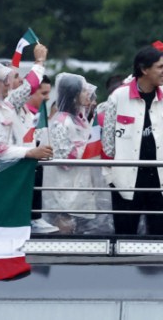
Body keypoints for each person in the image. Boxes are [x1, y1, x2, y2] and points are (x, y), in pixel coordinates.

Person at [100, 47, 163, 235]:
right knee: (125, 237)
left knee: (161, 239)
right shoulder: (118, 97)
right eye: (160, 66)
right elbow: (107, 142)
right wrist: (111, 178)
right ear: (144, 69)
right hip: (127, 179)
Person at [43, 73, 104, 234]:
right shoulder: (62, 121)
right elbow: (62, 157)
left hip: (79, 186)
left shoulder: (79, 119)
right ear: (74, 95)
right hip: (65, 188)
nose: (88, 94)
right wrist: (84, 147)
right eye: (84, 91)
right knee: (65, 229)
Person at [18, 75, 56, 234]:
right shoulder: (16, 110)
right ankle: (32, 218)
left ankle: (35, 217)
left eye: (49, 93)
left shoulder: (34, 113)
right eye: (44, 93)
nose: (48, 98)